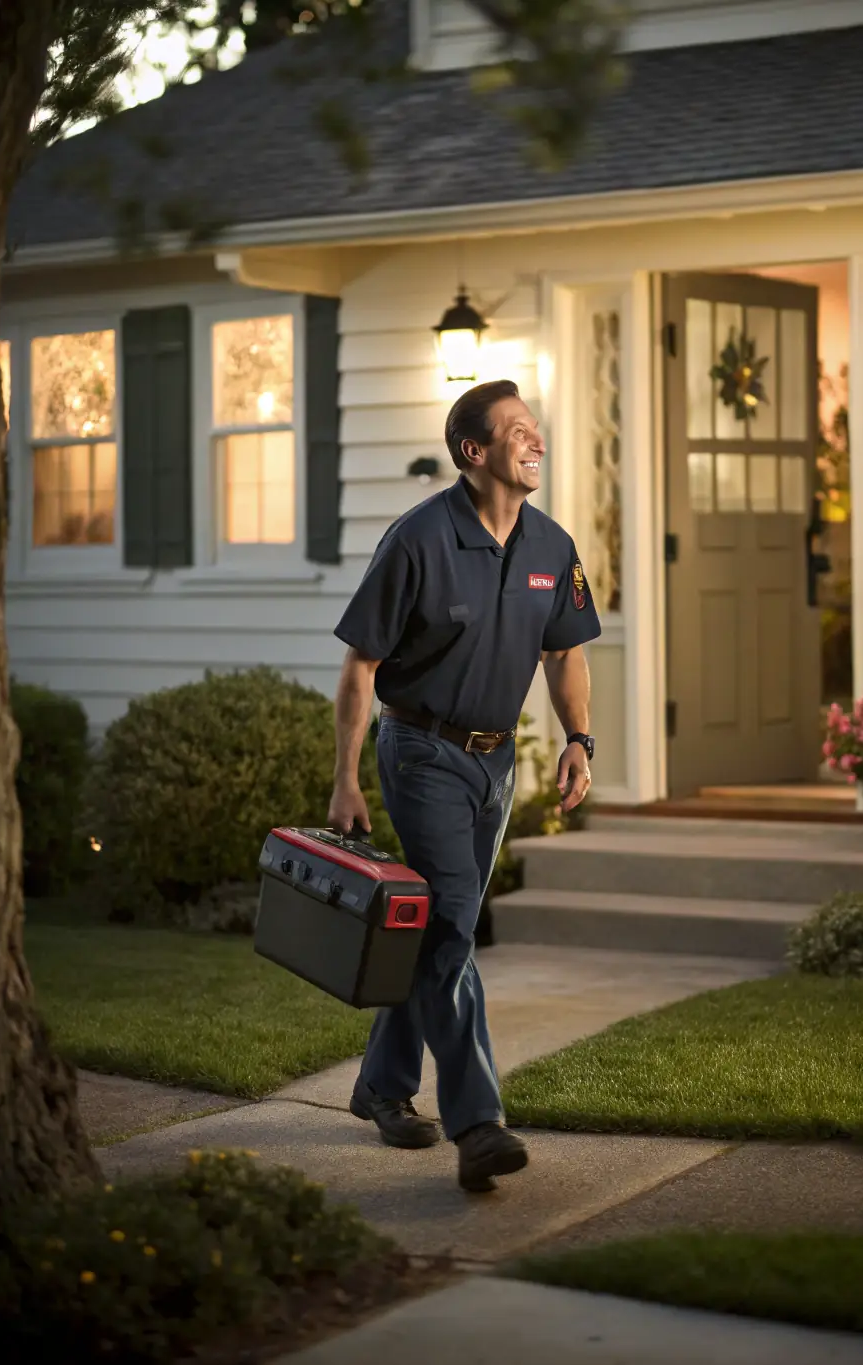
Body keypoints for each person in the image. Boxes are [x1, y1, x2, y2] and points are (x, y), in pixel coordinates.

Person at [328, 378, 600, 1193]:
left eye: (535, 427)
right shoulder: (417, 539)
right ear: (473, 452)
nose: (536, 438)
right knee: (452, 924)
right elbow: (361, 666)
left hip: (496, 762)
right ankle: (479, 1123)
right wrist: (346, 776)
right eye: (517, 430)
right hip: (420, 749)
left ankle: (380, 1085)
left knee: (439, 932)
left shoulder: (552, 546)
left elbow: (565, 653)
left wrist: (579, 737)